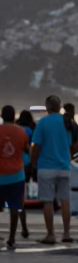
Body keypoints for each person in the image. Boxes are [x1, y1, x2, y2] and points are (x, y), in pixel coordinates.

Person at [31, 94, 73, 244]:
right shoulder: (66, 122)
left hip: (46, 167)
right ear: (59, 106)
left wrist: (33, 163)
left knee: (48, 201)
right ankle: (67, 233)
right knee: (65, 200)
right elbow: (72, 144)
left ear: (47, 107)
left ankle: (51, 235)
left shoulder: (42, 123)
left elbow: (36, 146)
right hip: (64, 166)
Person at [1, 105, 31, 248]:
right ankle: (11, 238)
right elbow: (27, 149)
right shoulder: (22, 131)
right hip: (17, 175)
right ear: (14, 117)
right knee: (15, 206)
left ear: (1, 116)